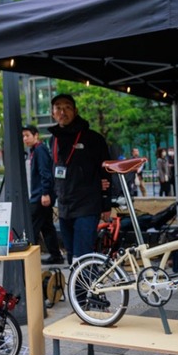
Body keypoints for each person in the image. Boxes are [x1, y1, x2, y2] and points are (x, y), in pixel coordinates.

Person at [48, 93, 111, 262]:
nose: (63, 112)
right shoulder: (52, 140)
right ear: (53, 113)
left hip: (87, 205)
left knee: (82, 255)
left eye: (67, 107)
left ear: (75, 111)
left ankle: (85, 288)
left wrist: (106, 204)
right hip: (64, 207)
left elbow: (107, 172)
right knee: (71, 255)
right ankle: (79, 288)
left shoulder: (93, 138)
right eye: (58, 108)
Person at [23, 125, 64, 265]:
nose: (25, 139)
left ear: (36, 135)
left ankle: (30, 259)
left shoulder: (40, 150)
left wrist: (45, 193)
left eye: (27, 135)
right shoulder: (37, 150)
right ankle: (56, 255)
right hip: (41, 195)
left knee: (32, 227)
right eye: (23, 136)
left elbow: (45, 173)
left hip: (40, 196)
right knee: (47, 226)